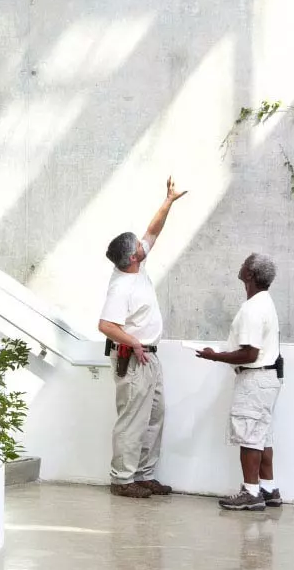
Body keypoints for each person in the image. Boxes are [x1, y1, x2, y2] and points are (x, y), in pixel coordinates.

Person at [97, 177, 186, 499]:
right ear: (132, 257)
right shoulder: (121, 286)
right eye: (138, 246)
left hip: (150, 356)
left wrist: (169, 201)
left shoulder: (138, 268)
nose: (143, 245)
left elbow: (153, 231)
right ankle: (122, 480)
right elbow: (106, 325)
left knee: (154, 416)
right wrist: (133, 343)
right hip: (133, 359)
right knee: (132, 420)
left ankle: (144, 475)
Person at [198, 252, 283, 511]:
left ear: (250, 275)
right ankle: (268, 488)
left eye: (244, 263)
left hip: (254, 379)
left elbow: (250, 353)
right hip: (268, 378)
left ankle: (251, 491)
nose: (241, 264)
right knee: (261, 436)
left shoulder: (253, 308)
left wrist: (215, 357)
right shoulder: (265, 302)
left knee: (248, 437)